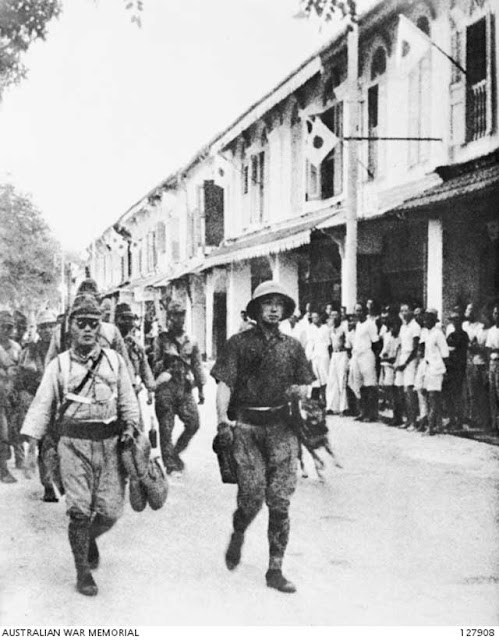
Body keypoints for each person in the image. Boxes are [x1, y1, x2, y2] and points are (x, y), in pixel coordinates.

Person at [21, 294, 140, 597]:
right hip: (72, 445)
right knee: (79, 511)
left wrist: (131, 427)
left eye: (93, 324)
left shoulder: (114, 361)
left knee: (111, 511)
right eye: (81, 323)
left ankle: (89, 540)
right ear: (70, 327)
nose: (88, 329)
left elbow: (128, 400)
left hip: (110, 444)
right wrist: (32, 446)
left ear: (100, 327)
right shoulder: (59, 366)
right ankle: (83, 572)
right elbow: (41, 406)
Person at [211, 281, 313, 593]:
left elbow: (304, 384)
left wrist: (300, 391)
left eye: (278, 303)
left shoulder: (292, 347)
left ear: (284, 310)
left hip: (282, 429)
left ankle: (275, 568)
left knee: (280, 502)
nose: (272, 308)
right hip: (248, 429)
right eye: (266, 302)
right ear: (256, 309)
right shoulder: (238, 344)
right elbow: (225, 385)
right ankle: (239, 531)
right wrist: (221, 421)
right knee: (252, 497)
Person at [45, 279, 136, 388]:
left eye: (93, 299)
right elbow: (50, 365)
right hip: (71, 389)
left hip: (104, 391)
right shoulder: (61, 332)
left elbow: (124, 365)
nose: (88, 302)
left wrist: (131, 386)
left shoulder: (111, 332)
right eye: (83, 298)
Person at [153, 299, 205, 474]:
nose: (179, 319)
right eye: (175, 315)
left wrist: (201, 389)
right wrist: (166, 359)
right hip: (166, 388)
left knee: (194, 423)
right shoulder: (161, 340)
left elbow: (197, 365)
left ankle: (175, 453)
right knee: (166, 429)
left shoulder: (191, 341)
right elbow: (153, 366)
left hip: (184, 388)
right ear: (169, 317)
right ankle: (170, 464)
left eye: (182, 314)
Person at [16, 309, 58, 498]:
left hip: (60, 401)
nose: (48, 330)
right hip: (39, 400)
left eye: (51, 326)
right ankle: (48, 485)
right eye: (44, 327)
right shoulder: (31, 351)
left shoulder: (63, 348)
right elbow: (24, 378)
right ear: (39, 330)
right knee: (44, 443)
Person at [115, 303, 155, 405]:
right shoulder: (111, 342)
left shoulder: (135, 344)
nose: (128, 321)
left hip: (132, 392)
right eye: (124, 318)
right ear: (116, 320)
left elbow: (144, 367)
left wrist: (150, 389)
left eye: (130, 318)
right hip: (113, 392)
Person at [0, 311, 22, 482]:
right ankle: (3, 469)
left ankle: (17, 461)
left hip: (11, 396)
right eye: (3, 327)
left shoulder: (16, 348)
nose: (6, 330)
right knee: (2, 432)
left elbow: (20, 371)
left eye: (9, 327)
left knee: (12, 431)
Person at [350, 303, 379, 422]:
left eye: (360, 310)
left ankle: (371, 414)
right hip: (357, 356)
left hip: (367, 355)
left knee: (370, 385)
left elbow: (376, 343)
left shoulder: (370, 324)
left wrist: (375, 358)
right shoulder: (357, 325)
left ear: (365, 311)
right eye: (356, 311)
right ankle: (362, 412)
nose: (358, 313)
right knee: (359, 385)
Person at [462, 302, 489, 430]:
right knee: (467, 391)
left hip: (478, 361)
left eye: (472, 309)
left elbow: (477, 344)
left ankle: (478, 418)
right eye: (468, 309)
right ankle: (469, 415)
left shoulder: (481, 327)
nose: (469, 312)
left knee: (477, 391)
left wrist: (471, 346)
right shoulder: (464, 325)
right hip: (466, 361)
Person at [422, 309, 449, 436]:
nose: (425, 321)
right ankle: (438, 426)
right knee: (432, 398)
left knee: (433, 398)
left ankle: (431, 427)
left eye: (428, 319)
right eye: (424, 318)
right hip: (429, 369)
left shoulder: (438, 334)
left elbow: (445, 354)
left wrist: (445, 371)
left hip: (437, 370)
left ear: (433, 320)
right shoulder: (427, 333)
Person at [396, 303, 421, 430]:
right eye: (402, 311)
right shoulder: (403, 327)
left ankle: (413, 421)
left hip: (410, 360)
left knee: (410, 391)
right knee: (402, 392)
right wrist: (398, 361)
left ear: (411, 311)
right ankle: (407, 420)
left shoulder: (415, 326)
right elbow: (400, 345)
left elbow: (415, 348)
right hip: (402, 359)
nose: (404, 313)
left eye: (407, 310)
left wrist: (405, 363)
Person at [444, 307, 469, 431]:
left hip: (458, 367)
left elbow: (458, 351)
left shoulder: (463, 335)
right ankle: (451, 418)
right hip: (450, 367)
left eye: (457, 320)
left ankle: (459, 420)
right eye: (453, 320)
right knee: (449, 394)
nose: (455, 322)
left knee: (457, 394)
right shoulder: (451, 335)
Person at [380, 316, 403, 426]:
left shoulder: (400, 338)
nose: (394, 328)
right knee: (390, 390)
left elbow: (397, 355)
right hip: (388, 366)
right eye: (392, 326)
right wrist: (385, 357)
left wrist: (390, 359)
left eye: (396, 326)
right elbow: (384, 352)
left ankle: (399, 417)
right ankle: (395, 415)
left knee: (397, 391)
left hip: (398, 366)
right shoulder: (388, 337)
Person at [326, 309, 348, 415]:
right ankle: (331, 406)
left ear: (339, 316)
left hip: (342, 354)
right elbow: (329, 345)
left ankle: (343, 407)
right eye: (332, 315)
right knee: (332, 380)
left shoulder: (343, 328)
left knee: (341, 379)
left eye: (336, 315)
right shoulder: (330, 330)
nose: (334, 317)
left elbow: (347, 343)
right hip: (334, 355)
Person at [485, 303, 499, 433]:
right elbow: (488, 348)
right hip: (493, 363)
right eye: (495, 313)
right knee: (492, 392)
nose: (497, 316)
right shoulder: (491, 331)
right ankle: (495, 423)